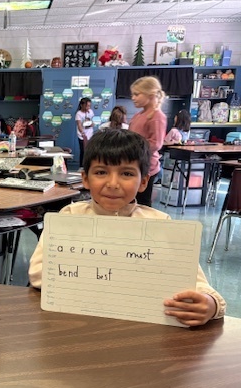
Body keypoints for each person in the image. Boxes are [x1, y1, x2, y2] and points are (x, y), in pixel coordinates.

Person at [28, 129, 225, 326]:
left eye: (127, 173)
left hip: (143, 330)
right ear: (85, 179)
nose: (113, 183)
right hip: (78, 324)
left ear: (144, 182)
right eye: (101, 172)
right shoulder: (69, 217)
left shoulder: (160, 224)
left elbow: (197, 283)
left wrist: (211, 304)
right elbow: (38, 273)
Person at [129, 76, 167, 206]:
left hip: (146, 167)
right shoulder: (138, 115)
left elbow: (156, 143)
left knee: (142, 202)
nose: (133, 98)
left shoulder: (157, 116)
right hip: (133, 164)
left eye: (136, 94)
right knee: (130, 199)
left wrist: (132, 150)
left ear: (150, 95)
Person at [75, 97, 94, 166]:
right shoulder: (78, 114)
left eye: (89, 106)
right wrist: (82, 133)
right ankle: (82, 166)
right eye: (87, 106)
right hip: (82, 136)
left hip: (90, 135)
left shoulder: (91, 111)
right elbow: (79, 125)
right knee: (83, 152)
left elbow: (91, 121)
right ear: (82, 105)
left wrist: (92, 124)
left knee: (90, 151)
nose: (88, 107)